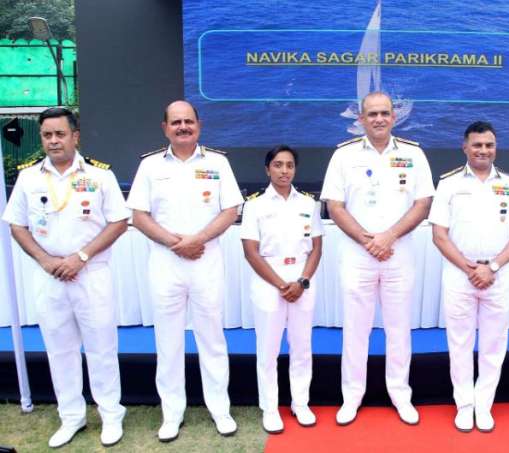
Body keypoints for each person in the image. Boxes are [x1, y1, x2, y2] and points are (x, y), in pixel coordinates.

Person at [2, 107, 129, 448]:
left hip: (90, 273)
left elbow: (119, 221)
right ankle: (71, 417)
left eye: (60, 134)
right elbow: (17, 225)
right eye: (47, 135)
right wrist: (45, 260)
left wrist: (81, 257)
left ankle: (111, 415)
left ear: (76, 136)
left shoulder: (100, 176)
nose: (54, 141)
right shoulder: (29, 178)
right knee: (60, 350)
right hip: (50, 276)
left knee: (102, 348)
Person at [127, 100, 244, 441]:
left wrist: (197, 240)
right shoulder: (149, 166)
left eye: (188, 121)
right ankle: (172, 413)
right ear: (165, 128)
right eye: (176, 122)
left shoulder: (217, 162)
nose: (183, 127)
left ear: (199, 125)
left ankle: (220, 409)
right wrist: (175, 243)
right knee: (168, 341)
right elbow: (139, 216)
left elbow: (231, 210)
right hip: (166, 263)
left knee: (212, 338)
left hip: (206, 260)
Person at [320, 92, 434, 426]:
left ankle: (400, 394)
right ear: (361, 119)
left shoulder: (413, 154)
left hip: (399, 253)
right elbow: (334, 206)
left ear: (394, 117)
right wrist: (367, 240)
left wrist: (389, 237)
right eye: (372, 114)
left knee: (399, 329)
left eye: (385, 113)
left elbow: (423, 204)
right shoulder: (343, 156)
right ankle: (352, 396)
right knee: (356, 329)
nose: (379, 119)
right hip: (358, 255)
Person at [429, 121, 509, 432]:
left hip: (498, 274)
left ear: (495, 148)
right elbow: (439, 235)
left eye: (489, 145)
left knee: (493, 343)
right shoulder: (448, 184)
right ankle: (465, 405)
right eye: (477, 145)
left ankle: (484, 405)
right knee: (459, 342)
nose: (483, 150)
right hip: (461, 274)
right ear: (465, 147)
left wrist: (493, 267)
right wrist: (469, 268)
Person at [241, 145, 323, 433]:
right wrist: (280, 284)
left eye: (289, 165)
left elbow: (316, 248)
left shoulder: (309, 204)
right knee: (268, 349)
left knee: (302, 347)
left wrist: (301, 282)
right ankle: (270, 407)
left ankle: (300, 403)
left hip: (302, 278)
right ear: (268, 169)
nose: (284, 170)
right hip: (269, 279)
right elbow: (251, 252)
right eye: (278, 165)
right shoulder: (254, 205)